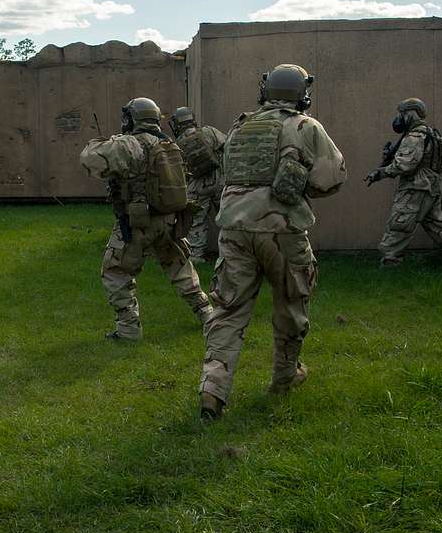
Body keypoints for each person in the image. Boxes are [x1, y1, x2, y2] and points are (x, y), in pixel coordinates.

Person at [198, 64, 346, 420]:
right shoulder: (306, 126)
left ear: (265, 90)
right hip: (281, 231)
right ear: (303, 93)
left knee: (229, 311)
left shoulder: (240, 126)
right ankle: (284, 378)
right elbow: (331, 178)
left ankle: (212, 391)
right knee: (290, 305)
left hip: (233, 228)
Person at [80, 97, 213, 341]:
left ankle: (129, 328)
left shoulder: (128, 144)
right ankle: (207, 315)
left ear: (131, 119)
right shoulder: (170, 144)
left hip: (138, 224)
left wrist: (101, 142)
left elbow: (89, 158)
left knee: (116, 272)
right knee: (181, 270)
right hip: (170, 222)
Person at [365, 98, 442, 267]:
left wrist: (381, 173)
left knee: (399, 224)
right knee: (439, 227)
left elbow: (404, 165)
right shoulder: (432, 134)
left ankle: (390, 263)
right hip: (431, 188)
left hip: (415, 188)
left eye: (402, 114)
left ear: (410, 114)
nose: (399, 118)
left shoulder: (414, 137)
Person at [169, 107, 227, 264]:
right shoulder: (209, 131)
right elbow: (227, 146)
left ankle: (195, 256)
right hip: (220, 182)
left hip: (196, 188)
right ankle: (230, 256)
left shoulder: (177, 143)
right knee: (227, 220)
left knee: (197, 222)